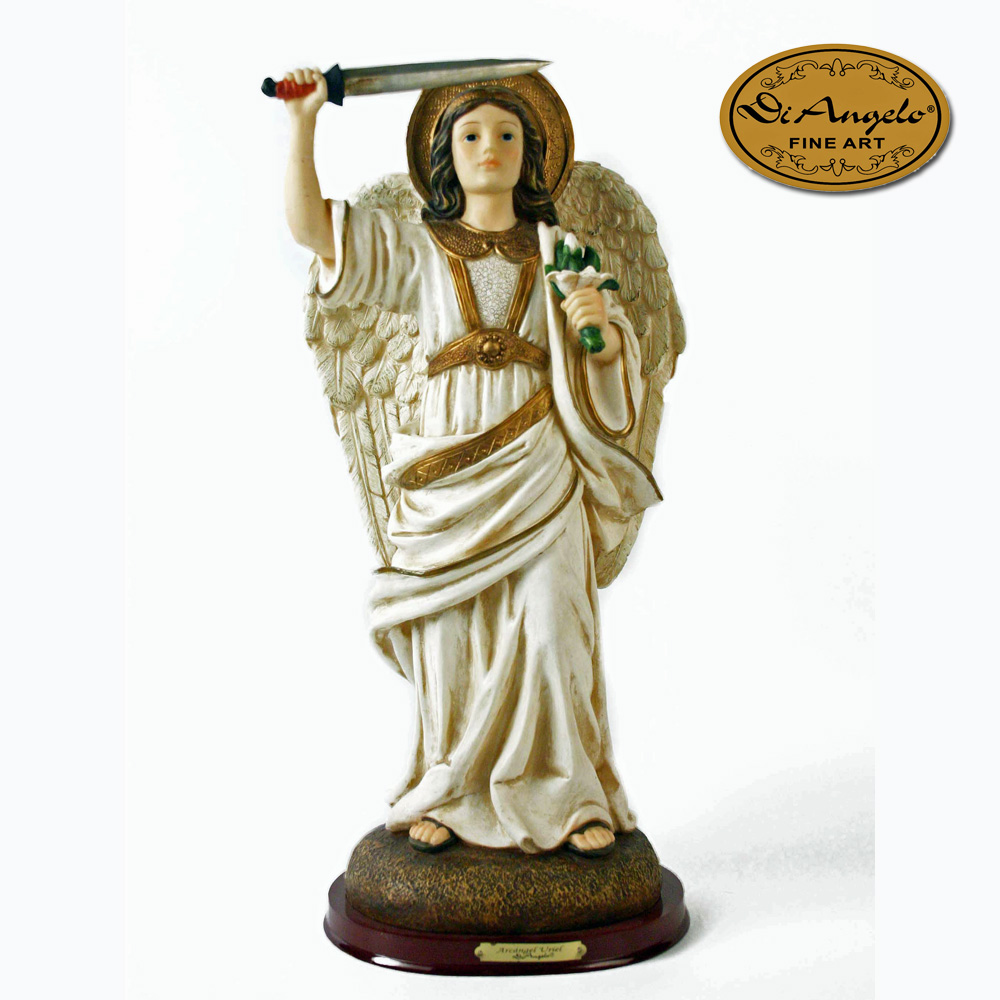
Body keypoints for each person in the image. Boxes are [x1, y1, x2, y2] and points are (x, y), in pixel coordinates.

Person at [282, 67, 661, 856]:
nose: (490, 147)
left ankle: (572, 794)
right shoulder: (416, 247)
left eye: (508, 134)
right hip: (445, 472)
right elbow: (313, 230)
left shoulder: (563, 252)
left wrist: (600, 332)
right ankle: (451, 793)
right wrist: (304, 123)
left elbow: (606, 360)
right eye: (472, 134)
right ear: (447, 155)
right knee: (449, 645)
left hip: (540, 466)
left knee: (556, 632)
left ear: (531, 153)